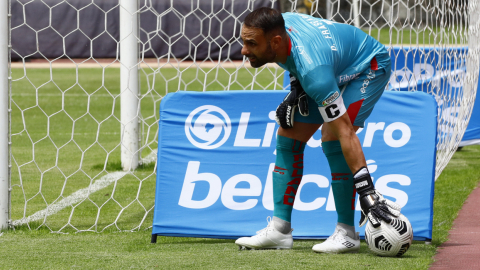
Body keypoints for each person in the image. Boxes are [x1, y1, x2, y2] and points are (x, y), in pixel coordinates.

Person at [235, 7, 401, 253]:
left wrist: (367, 191)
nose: (243, 50)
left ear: (276, 41)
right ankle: (280, 230)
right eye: (243, 41)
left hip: (368, 66)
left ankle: (347, 233)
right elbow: (305, 50)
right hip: (328, 66)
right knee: (288, 135)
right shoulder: (282, 27)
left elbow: (346, 132)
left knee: (332, 134)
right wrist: (296, 86)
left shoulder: (314, 73)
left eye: (251, 43)